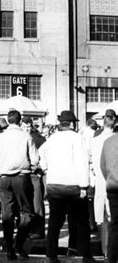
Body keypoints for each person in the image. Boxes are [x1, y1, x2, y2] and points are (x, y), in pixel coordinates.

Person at [39, 110, 94, 263]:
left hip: (54, 184)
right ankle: (85, 254)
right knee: (82, 222)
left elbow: (40, 152)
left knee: (55, 221)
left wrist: (46, 168)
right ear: (72, 123)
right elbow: (82, 162)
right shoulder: (78, 138)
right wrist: (84, 186)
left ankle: (51, 255)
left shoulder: (51, 138)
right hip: (73, 185)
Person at [0, 109, 38, 261]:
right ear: (20, 120)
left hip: (4, 178)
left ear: (8, 121)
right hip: (22, 177)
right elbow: (35, 160)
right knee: (26, 212)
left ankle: (10, 248)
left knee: (7, 214)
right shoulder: (26, 136)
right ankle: (19, 243)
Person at [91, 109, 116, 259]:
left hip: (100, 181)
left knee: (102, 218)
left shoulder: (94, 141)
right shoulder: (114, 139)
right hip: (113, 181)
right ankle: (112, 251)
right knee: (114, 218)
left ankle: (105, 249)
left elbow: (94, 164)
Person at [21, 117, 46, 239]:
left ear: (31, 126)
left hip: (33, 173)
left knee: (35, 203)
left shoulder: (39, 139)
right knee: (30, 204)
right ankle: (31, 230)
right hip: (28, 173)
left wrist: (41, 169)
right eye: (24, 127)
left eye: (27, 127)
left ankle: (37, 230)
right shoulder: (22, 138)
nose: (26, 129)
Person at [100, 121, 118, 263]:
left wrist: (110, 178)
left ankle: (112, 258)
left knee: (114, 225)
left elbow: (103, 166)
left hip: (113, 187)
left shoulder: (108, 142)